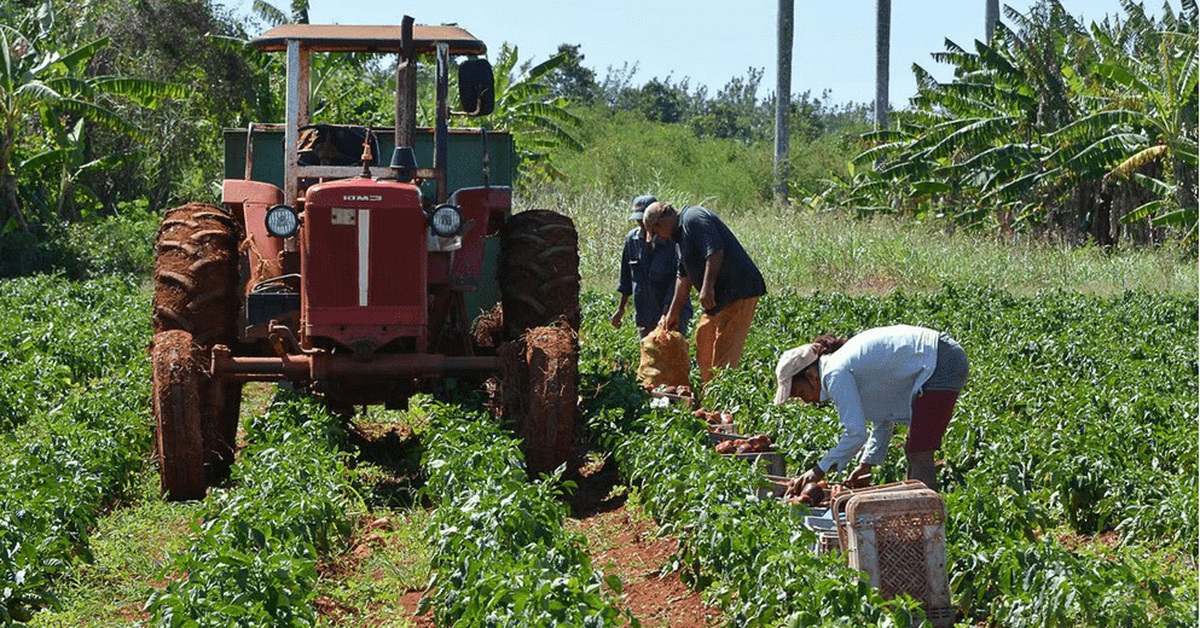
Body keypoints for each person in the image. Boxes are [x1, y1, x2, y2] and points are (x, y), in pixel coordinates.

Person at [774, 325, 969, 491]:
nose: (806, 401)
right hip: (942, 355)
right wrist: (866, 465)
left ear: (810, 376)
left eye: (800, 393)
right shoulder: (841, 365)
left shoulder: (834, 373)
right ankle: (919, 515)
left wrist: (818, 470)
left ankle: (928, 522)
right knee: (916, 448)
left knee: (919, 450)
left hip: (940, 361)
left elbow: (855, 434)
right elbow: (883, 418)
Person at [642, 201, 766, 383]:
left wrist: (707, 287)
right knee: (704, 338)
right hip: (718, 300)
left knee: (724, 352)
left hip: (738, 292)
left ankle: (722, 397)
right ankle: (708, 392)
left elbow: (714, 251)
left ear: (661, 223)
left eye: (656, 232)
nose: (659, 237)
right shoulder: (679, 241)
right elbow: (683, 279)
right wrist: (672, 314)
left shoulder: (693, 218)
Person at [611, 195, 692, 338]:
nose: (641, 224)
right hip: (645, 312)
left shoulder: (673, 240)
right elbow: (626, 278)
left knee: (672, 353)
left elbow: (678, 279)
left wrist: (668, 313)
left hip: (673, 310)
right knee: (649, 354)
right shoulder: (632, 240)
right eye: (638, 220)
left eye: (643, 220)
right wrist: (621, 309)